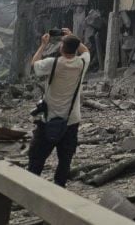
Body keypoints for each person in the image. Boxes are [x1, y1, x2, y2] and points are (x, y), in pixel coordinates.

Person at [27, 28, 90, 187]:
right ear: (75, 49)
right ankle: (59, 188)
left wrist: (43, 44)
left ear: (61, 48)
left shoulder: (52, 63)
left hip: (49, 119)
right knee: (65, 159)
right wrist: (71, 36)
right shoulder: (82, 63)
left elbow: (34, 64)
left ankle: (31, 187)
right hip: (71, 120)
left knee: (36, 158)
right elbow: (85, 51)